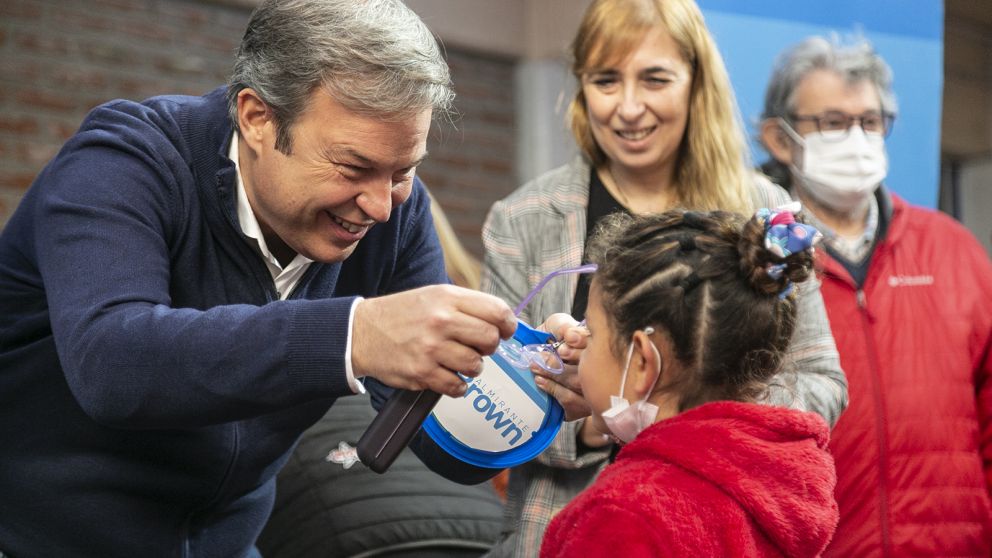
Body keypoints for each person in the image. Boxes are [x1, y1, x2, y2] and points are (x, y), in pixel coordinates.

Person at [0, 1, 518, 556]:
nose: (380, 206)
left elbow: (423, 427)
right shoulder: (121, 163)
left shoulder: (397, 213)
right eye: (352, 167)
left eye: (404, 170)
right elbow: (113, 365)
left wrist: (530, 391)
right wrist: (353, 335)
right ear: (256, 118)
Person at [480, 0, 847, 554]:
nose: (629, 108)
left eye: (654, 79)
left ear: (696, 83)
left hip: (714, 528)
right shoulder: (523, 218)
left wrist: (690, 415)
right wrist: (595, 418)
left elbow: (821, 382)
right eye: (606, 80)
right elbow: (490, 398)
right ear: (580, 87)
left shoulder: (764, 210)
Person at [758, 36, 992, 556]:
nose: (856, 138)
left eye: (870, 121)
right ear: (780, 139)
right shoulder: (756, 258)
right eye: (833, 122)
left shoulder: (952, 248)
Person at [540, 208, 838, 557]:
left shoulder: (621, 517)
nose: (578, 345)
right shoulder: (784, 488)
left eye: (591, 332)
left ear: (642, 362)